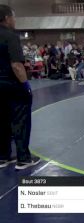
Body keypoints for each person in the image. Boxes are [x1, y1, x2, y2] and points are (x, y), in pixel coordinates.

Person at [0, 4, 41, 170]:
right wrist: (25, 85)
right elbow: (17, 65)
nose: (15, 20)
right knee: (20, 120)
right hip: (12, 85)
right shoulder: (11, 36)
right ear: (8, 18)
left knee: (1, 120)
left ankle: (3, 156)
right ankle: (23, 158)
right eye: (14, 17)